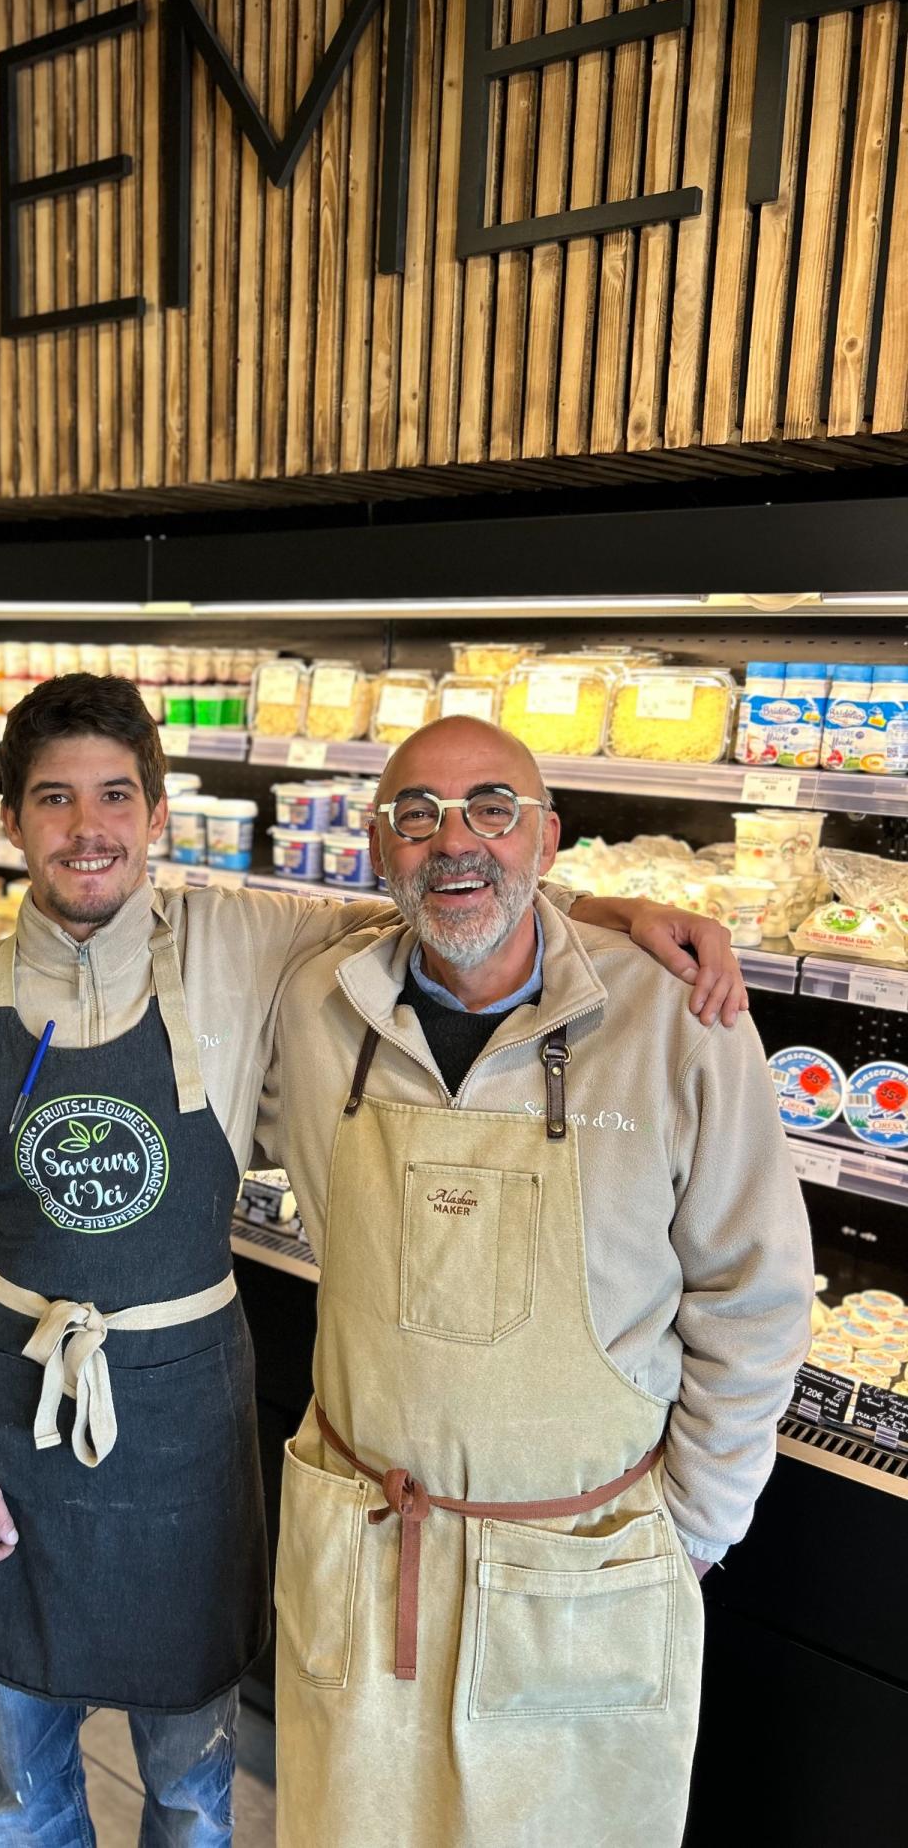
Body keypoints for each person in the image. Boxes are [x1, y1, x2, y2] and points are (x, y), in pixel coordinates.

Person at [0, 676, 748, 1848]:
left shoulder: (240, 940)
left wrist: (608, 907)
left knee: (192, 1786)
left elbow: (442, 891)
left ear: (159, 811)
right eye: (54, 799)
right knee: (27, 1785)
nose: (88, 829)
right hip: (13, 1411)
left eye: (115, 795)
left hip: (182, 1422)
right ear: (11, 820)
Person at [258, 716, 814, 1848]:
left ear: (549, 838)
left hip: (583, 1564)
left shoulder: (676, 1018)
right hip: (365, 1553)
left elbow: (754, 1294)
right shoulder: (314, 1001)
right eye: (416, 815)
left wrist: (692, 1527)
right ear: (377, 845)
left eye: (492, 810)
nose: (454, 841)